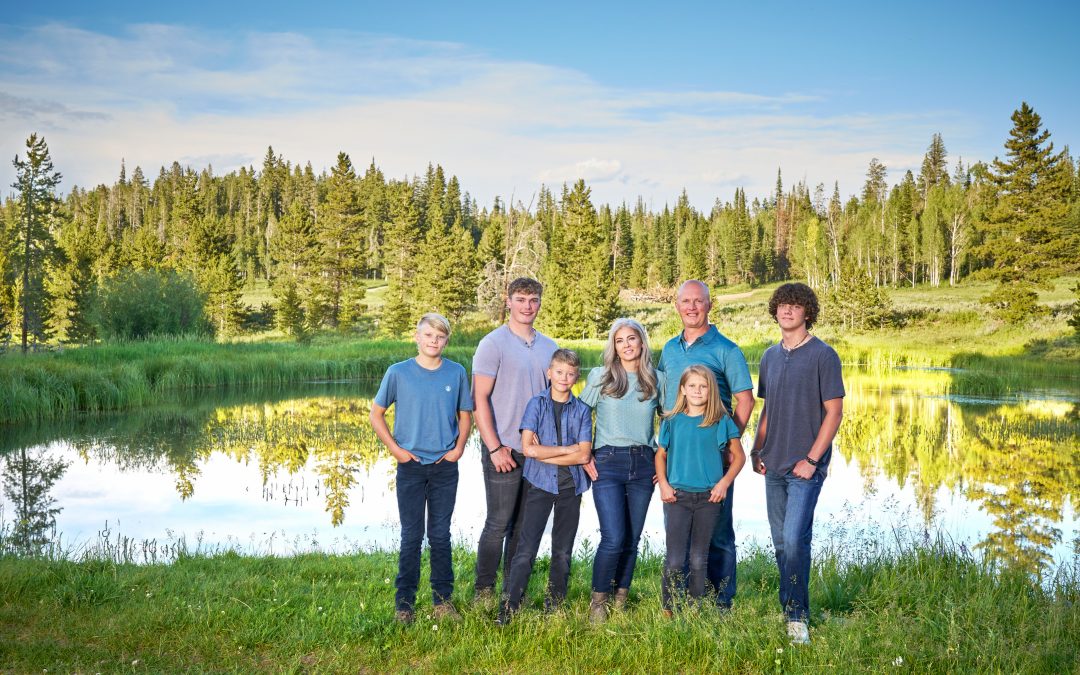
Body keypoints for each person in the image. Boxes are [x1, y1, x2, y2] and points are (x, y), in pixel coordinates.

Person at [751, 282, 844, 645]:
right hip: (772, 464)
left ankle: (797, 618)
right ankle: (789, 605)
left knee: (794, 538)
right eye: (782, 305)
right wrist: (757, 449)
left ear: (808, 312)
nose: (787, 310)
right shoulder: (770, 357)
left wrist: (811, 459)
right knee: (780, 542)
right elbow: (768, 410)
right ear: (775, 311)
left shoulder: (824, 356)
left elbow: (834, 414)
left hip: (806, 467)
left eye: (795, 305)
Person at [370, 313, 473, 624]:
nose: (434, 341)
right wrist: (396, 450)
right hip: (411, 466)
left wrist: (458, 448)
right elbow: (377, 415)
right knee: (411, 535)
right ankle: (404, 605)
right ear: (417, 337)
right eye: (428, 335)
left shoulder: (455, 373)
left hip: (444, 467)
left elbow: (465, 414)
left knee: (440, 535)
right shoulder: (398, 373)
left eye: (440, 337)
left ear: (446, 341)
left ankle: (442, 602)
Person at [657, 280, 755, 609]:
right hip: (678, 461)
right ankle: (681, 601)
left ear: (709, 305)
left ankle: (722, 602)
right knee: (679, 536)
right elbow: (662, 399)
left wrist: (729, 446)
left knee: (719, 535)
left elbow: (745, 400)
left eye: (698, 301)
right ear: (676, 305)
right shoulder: (670, 349)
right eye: (685, 301)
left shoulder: (726, 349)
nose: (692, 307)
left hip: (712, 460)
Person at [472, 277, 559, 601]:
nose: (527, 306)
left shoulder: (549, 347)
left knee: (524, 527)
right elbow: (479, 398)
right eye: (521, 299)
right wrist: (494, 447)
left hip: (536, 451)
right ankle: (484, 589)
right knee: (498, 522)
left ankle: (513, 590)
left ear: (539, 303)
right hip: (504, 447)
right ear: (508, 302)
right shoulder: (492, 344)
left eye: (533, 299)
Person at [497, 349, 593, 624]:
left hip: (570, 487)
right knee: (526, 548)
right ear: (549, 373)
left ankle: (554, 606)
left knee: (562, 551)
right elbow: (528, 450)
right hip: (539, 484)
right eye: (559, 372)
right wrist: (566, 449)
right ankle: (511, 605)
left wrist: (545, 451)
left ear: (576, 377)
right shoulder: (535, 404)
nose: (564, 378)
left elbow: (584, 455)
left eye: (571, 374)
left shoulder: (582, 410)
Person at [578, 318, 665, 622]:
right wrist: (584, 454)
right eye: (620, 340)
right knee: (613, 536)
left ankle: (620, 599)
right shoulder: (600, 377)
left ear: (642, 342)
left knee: (632, 538)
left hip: (643, 463)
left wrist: (663, 461)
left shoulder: (657, 379)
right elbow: (579, 414)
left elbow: (671, 423)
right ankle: (598, 602)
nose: (626, 345)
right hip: (607, 462)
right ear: (613, 346)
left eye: (632, 339)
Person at [655, 365, 745, 615]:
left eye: (703, 386)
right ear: (682, 389)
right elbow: (660, 455)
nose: (697, 390)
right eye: (692, 385)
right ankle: (669, 608)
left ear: (711, 390)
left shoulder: (721, 421)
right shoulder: (671, 421)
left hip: (709, 498)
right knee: (675, 559)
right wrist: (663, 484)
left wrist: (723, 483)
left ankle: (695, 609)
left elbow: (738, 457)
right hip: (677, 497)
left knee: (698, 558)